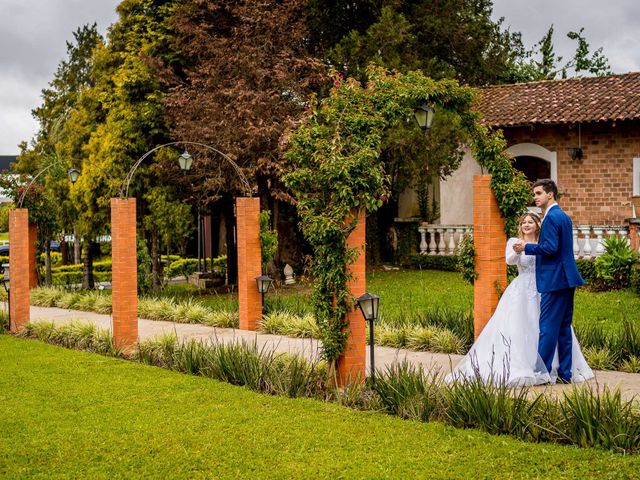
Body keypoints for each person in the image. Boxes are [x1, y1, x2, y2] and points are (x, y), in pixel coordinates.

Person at [447, 211, 593, 386]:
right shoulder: (514, 242)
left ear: (538, 225)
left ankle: (553, 366)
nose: (527, 224)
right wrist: (518, 250)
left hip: (543, 287)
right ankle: (524, 364)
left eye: (531, 222)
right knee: (521, 324)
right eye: (524, 222)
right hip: (522, 288)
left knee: (546, 327)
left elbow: (550, 257)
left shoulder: (542, 243)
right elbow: (509, 260)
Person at [513, 179, 590, 384]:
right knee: (563, 328)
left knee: (547, 327)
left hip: (554, 279)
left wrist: (526, 248)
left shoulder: (551, 218)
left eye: (538, 193)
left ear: (550, 195)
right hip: (566, 278)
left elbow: (550, 248)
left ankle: (541, 373)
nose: (535, 197)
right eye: (535, 194)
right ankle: (565, 374)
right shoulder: (562, 216)